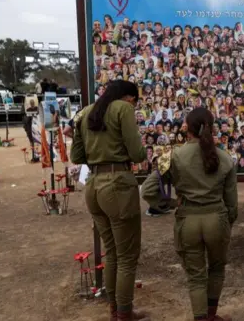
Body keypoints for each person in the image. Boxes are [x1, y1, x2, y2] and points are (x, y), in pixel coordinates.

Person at [141, 107, 238, 321]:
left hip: (188, 220)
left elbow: (147, 191)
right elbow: (232, 204)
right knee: (217, 268)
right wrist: (226, 223)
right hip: (217, 219)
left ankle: (201, 318)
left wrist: (172, 203)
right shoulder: (225, 158)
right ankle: (212, 315)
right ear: (211, 128)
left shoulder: (173, 156)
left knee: (196, 276)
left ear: (187, 128)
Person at [70, 80, 149, 321]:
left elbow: (76, 155)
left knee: (112, 252)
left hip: (94, 185)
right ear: (128, 97)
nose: (134, 107)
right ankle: (124, 313)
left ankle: (115, 310)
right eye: (135, 102)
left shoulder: (87, 112)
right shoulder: (123, 109)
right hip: (117, 185)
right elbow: (138, 154)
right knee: (126, 255)